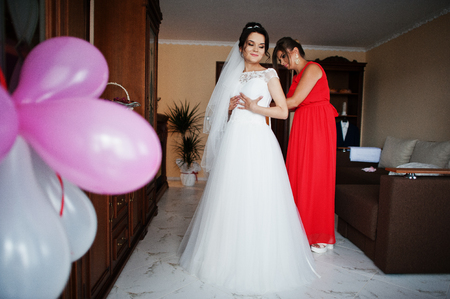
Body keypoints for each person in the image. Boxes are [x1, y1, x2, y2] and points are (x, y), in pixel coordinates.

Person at [177, 23, 318, 295]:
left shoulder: (270, 74)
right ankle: (224, 257)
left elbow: (282, 112)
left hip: (258, 139)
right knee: (232, 196)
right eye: (251, 44)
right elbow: (215, 114)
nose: (256, 50)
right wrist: (227, 108)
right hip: (235, 140)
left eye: (261, 46)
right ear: (241, 47)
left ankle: (261, 258)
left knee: (259, 196)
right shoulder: (231, 75)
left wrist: (256, 107)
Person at [272, 37, 338, 254]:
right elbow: (288, 106)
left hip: (317, 125)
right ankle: (302, 229)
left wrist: (260, 105)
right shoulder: (297, 76)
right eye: (280, 59)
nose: (282, 62)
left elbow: (294, 101)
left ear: (294, 51)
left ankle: (320, 235)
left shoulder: (312, 68)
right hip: (303, 125)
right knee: (300, 175)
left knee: (316, 176)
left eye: (283, 57)